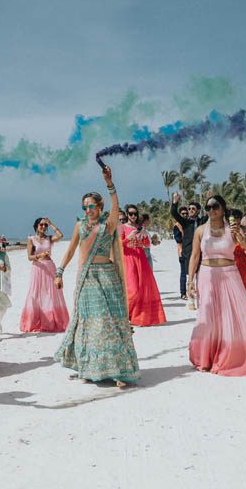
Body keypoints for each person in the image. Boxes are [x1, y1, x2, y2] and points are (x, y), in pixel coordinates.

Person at [54, 164, 139, 386]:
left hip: (108, 276)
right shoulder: (80, 227)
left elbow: (116, 206)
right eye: (85, 207)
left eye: (91, 206)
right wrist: (60, 271)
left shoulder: (108, 225)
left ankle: (119, 371)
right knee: (91, 323)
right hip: (88, 278)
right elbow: (71, 250)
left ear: (100, 207)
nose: (88, 210)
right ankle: (90, 369)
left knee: (110, 322)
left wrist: (109, 183)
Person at [187, 195, 246, 376]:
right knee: (209, 316)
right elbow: (195, 256)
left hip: (229, 274)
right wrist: (190, 280)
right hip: (206, 275)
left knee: (240, 314)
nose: (212, 210)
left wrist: (240, 237)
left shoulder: (234, 228)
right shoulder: (201, 231)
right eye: (208, 207)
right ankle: (206, 357)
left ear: (223, 207)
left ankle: (236, 353)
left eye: (215, 206)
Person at [19, 217, 70, 333]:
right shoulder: (31, 239)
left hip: (49, 266)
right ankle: (35, 321)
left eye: (44, 225)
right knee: (36, 293)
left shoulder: (49, 238)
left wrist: (51, 224)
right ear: (36, 226)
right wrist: (40, 255)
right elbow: (29, 257)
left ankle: (52, 321)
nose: (43, 227)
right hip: (37, 268)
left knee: (51, 293)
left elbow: (60, 235)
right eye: (41, 225)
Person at [121, 204, 167, 326]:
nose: (133, 216)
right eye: (130, 213)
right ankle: (125, 315)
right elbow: (118, 246)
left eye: (135, 214)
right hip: (128, 259)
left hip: (141, 259)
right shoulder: (121, 228)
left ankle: (136, 317)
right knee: (132, 290)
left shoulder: (140, 227)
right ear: (127, 214)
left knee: (142, 290)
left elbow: (147, 245)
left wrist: (144, 238)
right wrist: (128, 238)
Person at [171, 195, 207, 300]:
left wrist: (210, 199)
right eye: (189, 208)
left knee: (200, 275)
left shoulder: (202, 221)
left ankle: (200, 294)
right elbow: (174, 213)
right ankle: (186, 295)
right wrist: (175, 202)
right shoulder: (185, 222)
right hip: (188, 252)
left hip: (201, 253)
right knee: (187, 274)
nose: (190, 210)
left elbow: (211, 213)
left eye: (193, 209)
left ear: (198, 210)